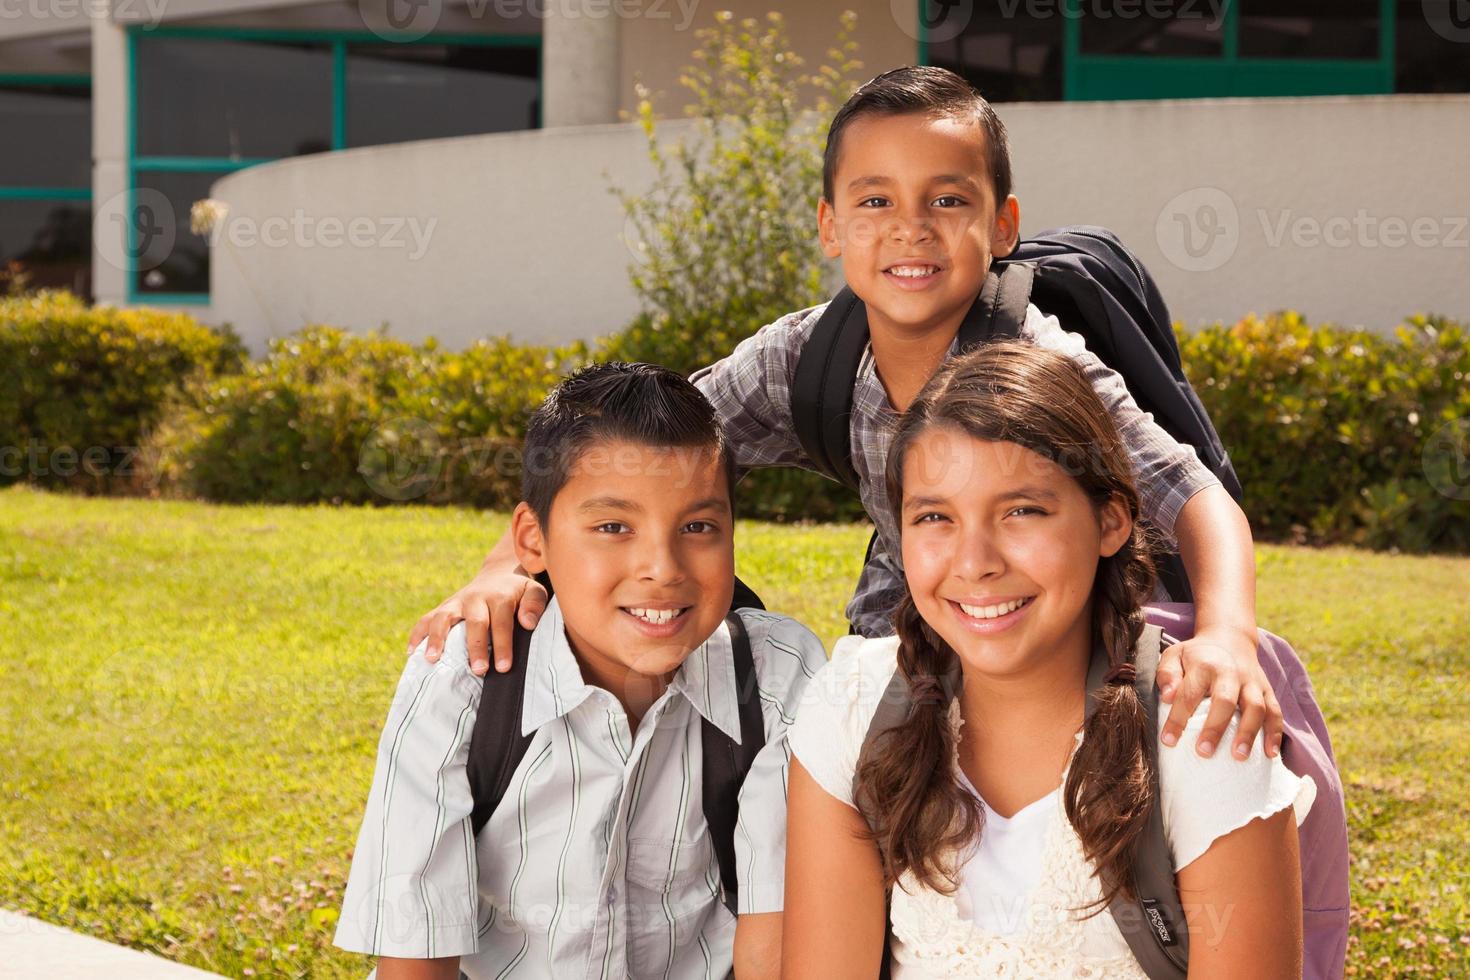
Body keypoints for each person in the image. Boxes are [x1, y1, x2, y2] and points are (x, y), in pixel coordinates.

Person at [410, 65, 1283, 764]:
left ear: (1003, 225)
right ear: (830, 226)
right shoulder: (807, 357)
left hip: (1053, 645)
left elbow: (1195, 496)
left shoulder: (1041, 367)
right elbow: (629, 455)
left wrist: (1230, 637)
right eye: (875, 201)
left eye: (948, 200)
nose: (911, 228)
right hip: (899, 635)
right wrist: (505, 570)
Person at [782, 342, 1315, 977]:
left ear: (1111, 521)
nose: (976, 560)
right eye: (935, 517)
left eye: (1021, 511)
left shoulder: (1197, 733)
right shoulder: (851, 706)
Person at [334, 362, 826, 979]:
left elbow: (775, 949)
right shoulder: (465, 681)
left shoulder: (777, 678)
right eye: (613, 527)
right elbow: (416, 959)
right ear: (532, 542)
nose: (662, 567)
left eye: (698, 527)